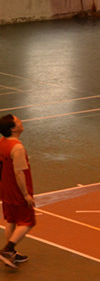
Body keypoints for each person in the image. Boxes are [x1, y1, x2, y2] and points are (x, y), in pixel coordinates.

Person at [0, 115, 35, 269]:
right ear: (13, 128)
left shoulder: (1, 142)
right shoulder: (17, 147)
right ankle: (7, 250)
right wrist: (26, 194)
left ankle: (12, 253)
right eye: (18, 121)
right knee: (28, 222)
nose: (21, 122)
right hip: (16, 190)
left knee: (11, 220)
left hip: (4, 187)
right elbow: (19, 173)